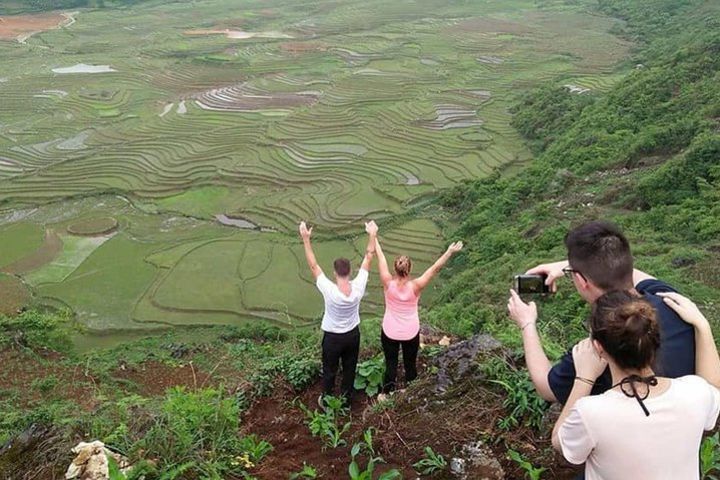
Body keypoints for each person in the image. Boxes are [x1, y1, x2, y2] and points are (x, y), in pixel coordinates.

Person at [507, 221, 695, 405]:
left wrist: (527, 323)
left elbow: (546, 387)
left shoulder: (602, 346)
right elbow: (631, 272)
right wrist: (577, 266)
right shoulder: (674, 302)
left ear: (581, 281)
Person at [552, 290, 720, 479]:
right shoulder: (695, 393)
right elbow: (713, 386)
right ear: (655, 340)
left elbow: (560, 442)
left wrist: (584, 378)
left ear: (599, 348)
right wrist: (702, 325)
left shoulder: (591, 413)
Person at [299, 220, 377, 406]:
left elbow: (313, 266)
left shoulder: (330, 290)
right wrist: (372, 234)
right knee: (349, 368)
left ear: (335, 273)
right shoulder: (358, 286)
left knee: (330, 369)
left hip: (333, 337)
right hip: (352, 335)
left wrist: (305, 239)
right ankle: (346, 400)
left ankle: (326, 400)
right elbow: (369, 256)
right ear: (350, 272)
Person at [374, 236, 463, 395]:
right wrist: (450, 251)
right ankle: (410, 392)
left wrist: (373, 235)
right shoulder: (416, 286)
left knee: (391, 364)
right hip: (410, 332)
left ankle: (386, 393)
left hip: (389, 331)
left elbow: (380, 257)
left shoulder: (388, 283)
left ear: (395, 269)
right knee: (410, 364)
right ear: (409, 269)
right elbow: (435, 268)